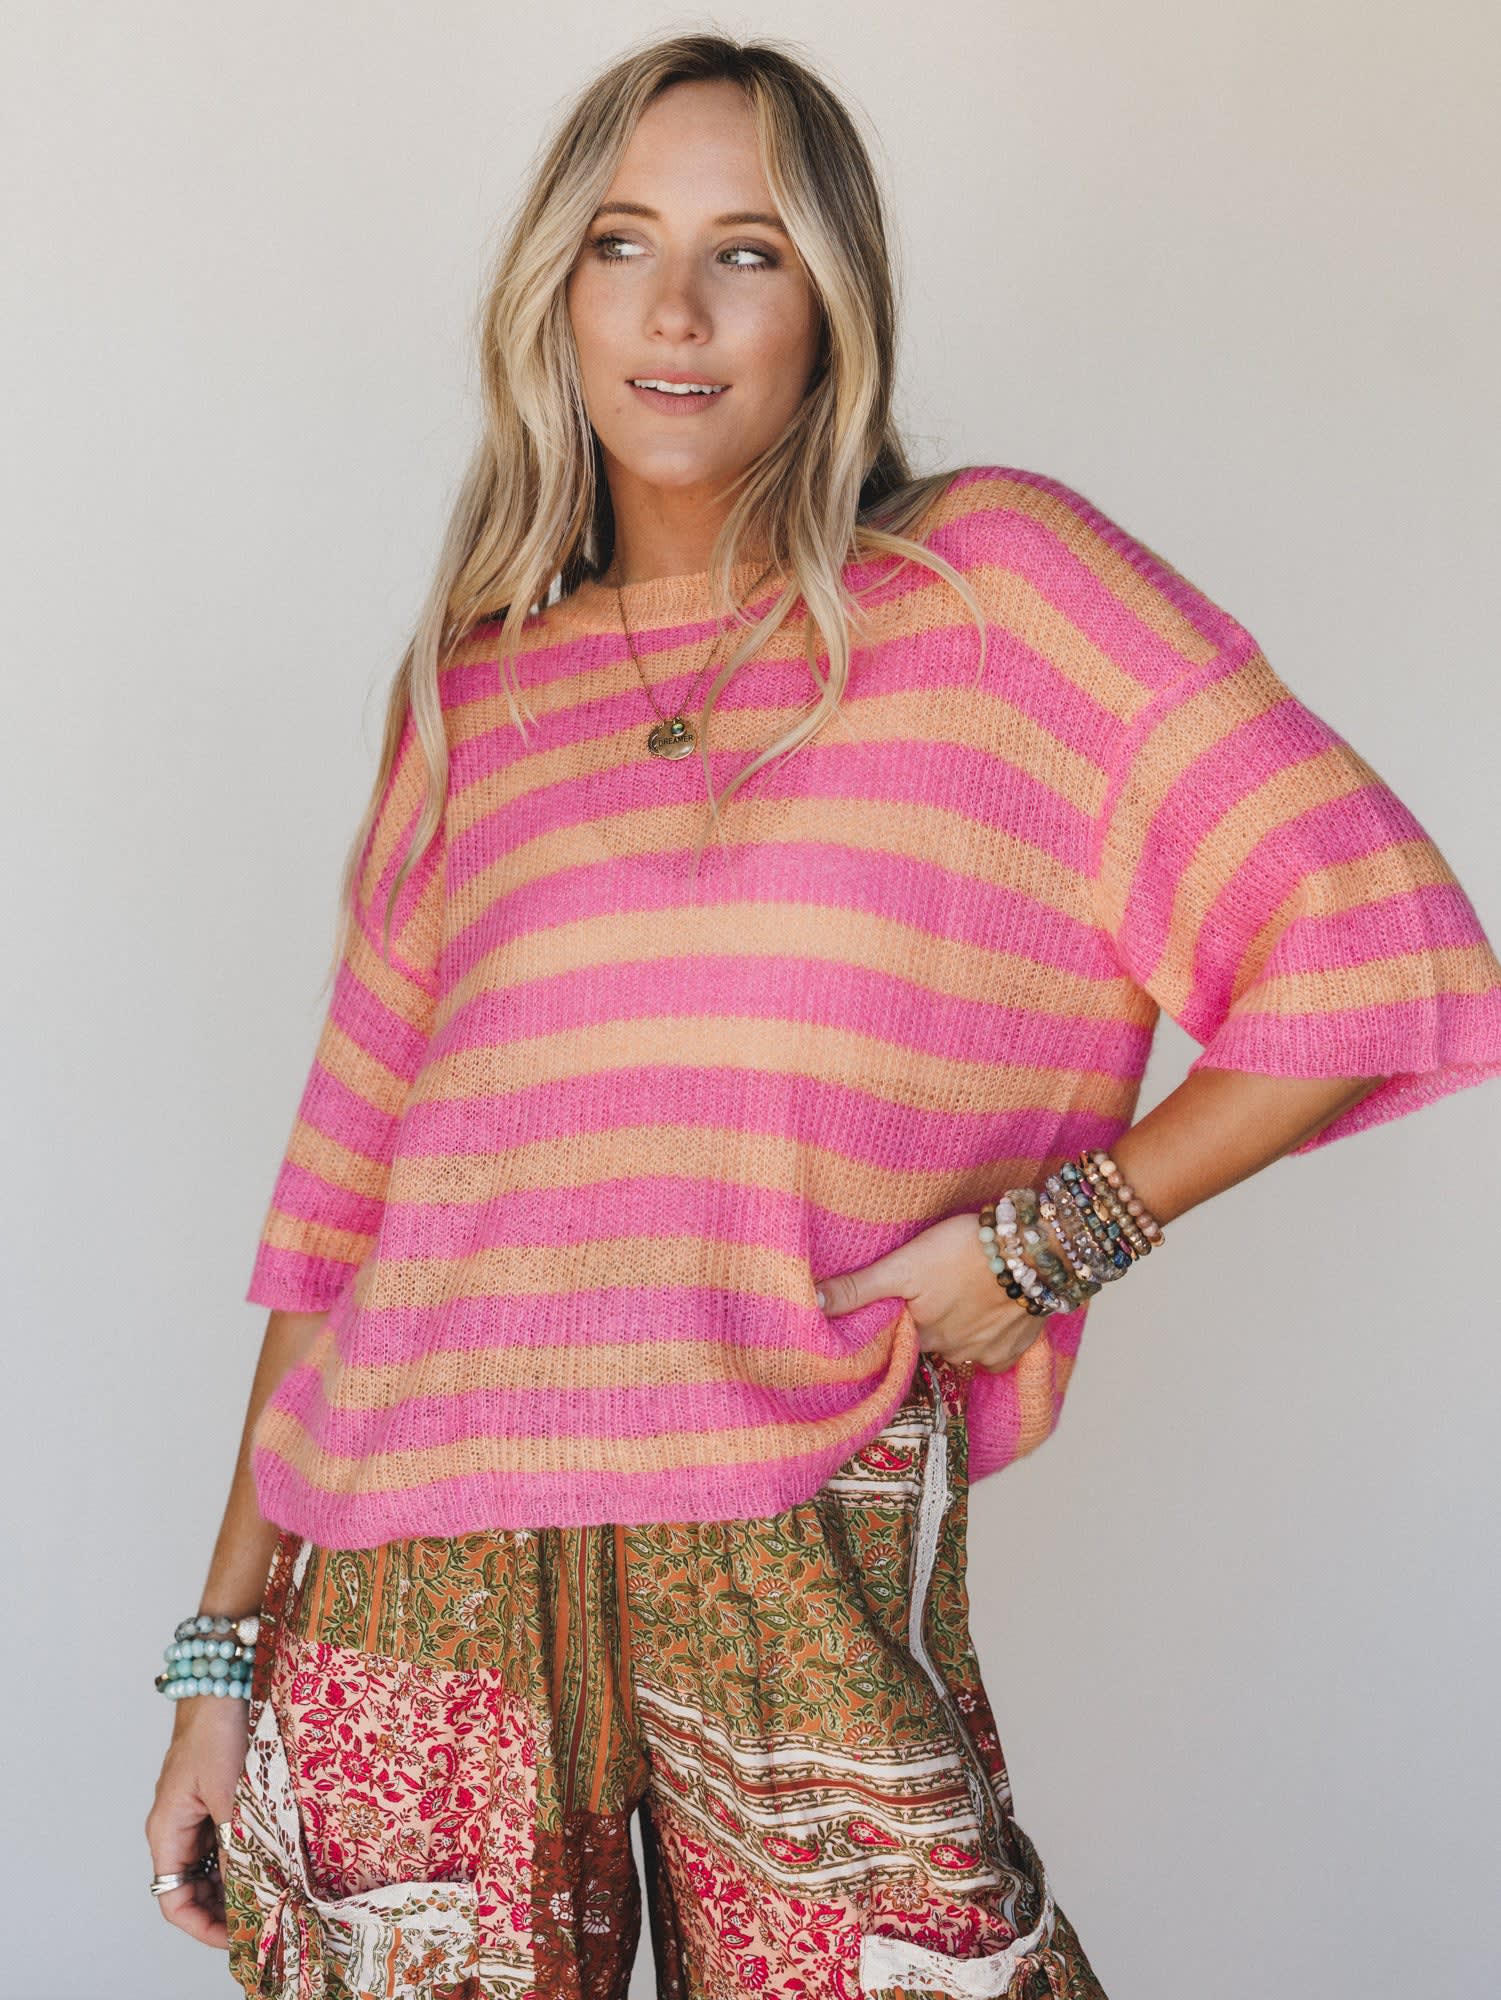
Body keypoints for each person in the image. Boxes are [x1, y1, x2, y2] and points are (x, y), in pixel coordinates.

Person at [145, 31, 1501, 2000]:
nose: (674, 312)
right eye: (621, 243)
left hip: (785, 1517)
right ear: (555, 292)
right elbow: (340, 1217)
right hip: (407, 1560)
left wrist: (1053, 1244)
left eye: (747, 251)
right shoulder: (476, 685)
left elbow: (1367, 941)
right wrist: (217, 1657)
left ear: (833, 301)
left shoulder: (991, 589)